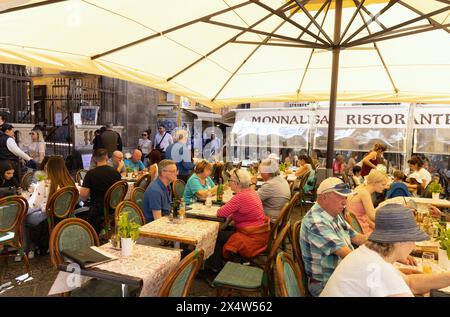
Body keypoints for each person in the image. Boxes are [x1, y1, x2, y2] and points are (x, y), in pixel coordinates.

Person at [321, 204, 450, 297]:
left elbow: (411, 284)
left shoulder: (367, 254)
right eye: (413, 239)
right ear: (400, 241)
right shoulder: (379, 268)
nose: (414, 246)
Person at [300, 177, 368, 296]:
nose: (345, 202)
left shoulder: (333, 213)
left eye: (346, 197)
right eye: (340, 197)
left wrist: (388, 247)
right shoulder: (316, 222)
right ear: (324, 197)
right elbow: (349, 255)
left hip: (342, 275)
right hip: (325, 284)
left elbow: (358, 238)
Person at [206, 168, 269, 272]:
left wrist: (229, 211)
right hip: (258, 233)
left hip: (250, 237)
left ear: (236, 183)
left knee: (215, 235)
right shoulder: (251, 192)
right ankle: (218, 262)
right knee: (222, 231)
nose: (229, 183)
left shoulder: (240, 197)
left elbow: (220, 213)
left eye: (230, 181)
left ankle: (214, 267)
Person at [25, 156, 75, 257]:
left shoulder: (44, 183)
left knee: (23, 217)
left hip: (49, 215)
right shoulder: (70, 182)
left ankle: (27, 250)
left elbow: (34, 204)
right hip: (65, 215)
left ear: (49, 167)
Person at [79, 148, 121, 233]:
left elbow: (83, 195)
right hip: (114, 207)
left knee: (80, 207)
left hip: (98, 210)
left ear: (94, 158)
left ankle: (89, 235)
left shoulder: (90, 174)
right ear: (106, 157)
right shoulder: (116, 173)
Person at [346, 169, 389, 235]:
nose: (385, 187)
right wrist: (391, 221)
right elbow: (373, 216)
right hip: (360, 229)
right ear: (375, 182)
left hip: (358, 226)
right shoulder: (365, 194)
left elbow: (366, 216)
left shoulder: (360, 188)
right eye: (383, 184)